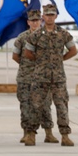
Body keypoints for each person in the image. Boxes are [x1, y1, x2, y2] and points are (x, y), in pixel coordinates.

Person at [23, 4, 77, 146]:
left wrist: (61, 59)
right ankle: (31, 134)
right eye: (47, 15)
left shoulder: (63, 34)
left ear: (56, 16)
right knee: (35, 105)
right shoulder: (35, 35)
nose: (50, 17)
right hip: (40, 76)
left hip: (58, 77)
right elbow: (27, 53)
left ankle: (65, 135)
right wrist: (40, 62)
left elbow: (73, 50)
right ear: (43, 17)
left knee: (62, 106)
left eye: (52, 15)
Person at [12, 10, 54, 143]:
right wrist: (27, 65)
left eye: (37, 20)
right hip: (25, 77)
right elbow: (15, 56)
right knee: (25, 105)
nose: (35, 23)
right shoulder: (22, 37)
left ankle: (49, 133)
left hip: (43, 78)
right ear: (28, 22)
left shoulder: (48, 36)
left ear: (41, 21)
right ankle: (27, 132)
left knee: (45, 105)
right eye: (32, 21)